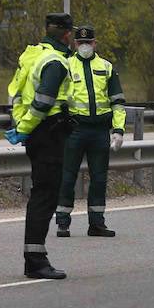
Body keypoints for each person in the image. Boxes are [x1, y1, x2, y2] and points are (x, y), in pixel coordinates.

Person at [4, 13, 76, 280]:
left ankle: (35, 257)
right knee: (45, 195)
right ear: (67, 35)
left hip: (38, 133)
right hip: (48, 133)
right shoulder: (56, 61)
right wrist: (24, 129)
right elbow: (44, 102)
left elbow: (17, 93)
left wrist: (22, 127)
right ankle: (35, 261)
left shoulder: (33, 55)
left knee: (42, 193)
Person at [56, 25, 125, 238]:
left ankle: (97, 224)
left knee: (99, 179)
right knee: (67, 178)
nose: (85, 46)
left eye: (89, 42)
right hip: (75, 130)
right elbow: (59, 99)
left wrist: (119, 130)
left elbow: (118, 102)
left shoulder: (106, 67)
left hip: (99, 131)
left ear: (95, 43)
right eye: (81, 43)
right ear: (75, 44)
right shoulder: (66, 66)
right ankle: (63, 223)